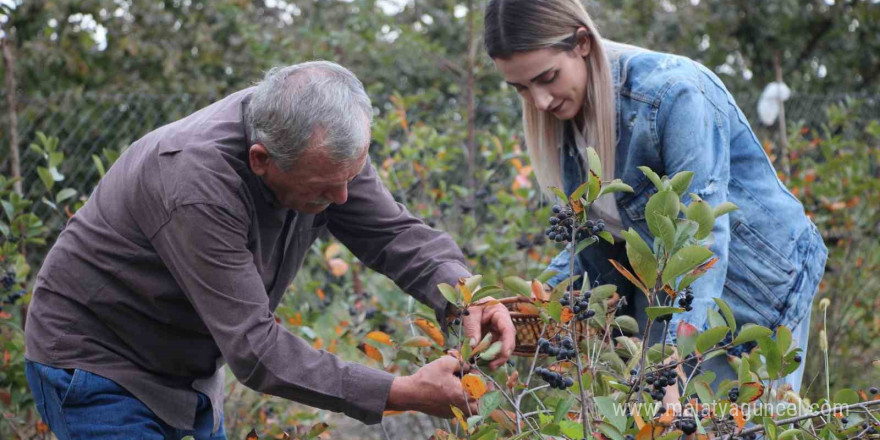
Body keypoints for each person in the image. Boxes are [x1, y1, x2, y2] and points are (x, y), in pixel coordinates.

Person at [24, 61, 516, 439]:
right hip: (99, 364)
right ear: (261, 160)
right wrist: (401, 393)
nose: (342, 200)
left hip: (185, 371)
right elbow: (257, 350)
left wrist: (466, 295)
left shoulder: (322, 147)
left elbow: (392, 234)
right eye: (325, 189)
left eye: (350, 179)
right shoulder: (194, 181)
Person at [482, 0, 827, 400]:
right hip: (666, 295)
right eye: (521, 88)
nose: (539, 101)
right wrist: (530, 306)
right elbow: (598, 242)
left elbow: (701, 235)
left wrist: (675, 362)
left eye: (547, 78)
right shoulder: (566, 121)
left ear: (581, 43)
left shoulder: (672, 93)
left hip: (752, 288)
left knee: (732, 421)